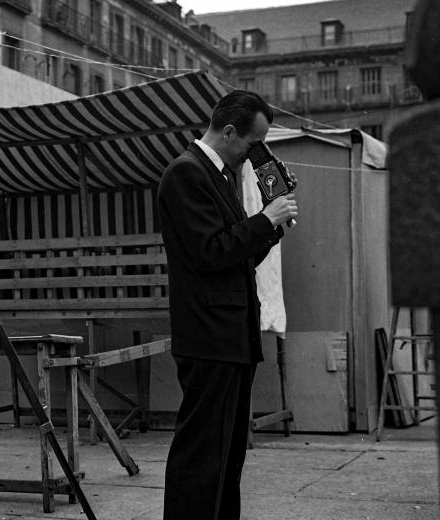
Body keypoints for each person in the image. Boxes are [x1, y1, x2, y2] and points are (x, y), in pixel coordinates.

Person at [157, 89, 298, 520]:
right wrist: (263, 220)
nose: (255, 154)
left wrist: (272, 228)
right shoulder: (186, 173)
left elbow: (237, 258)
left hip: (228, 337)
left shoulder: (217, 176)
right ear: (230, 131)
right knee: (202, 458)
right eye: (252, 144)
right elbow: (209, 253)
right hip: (209, 337)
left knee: (227, 456)